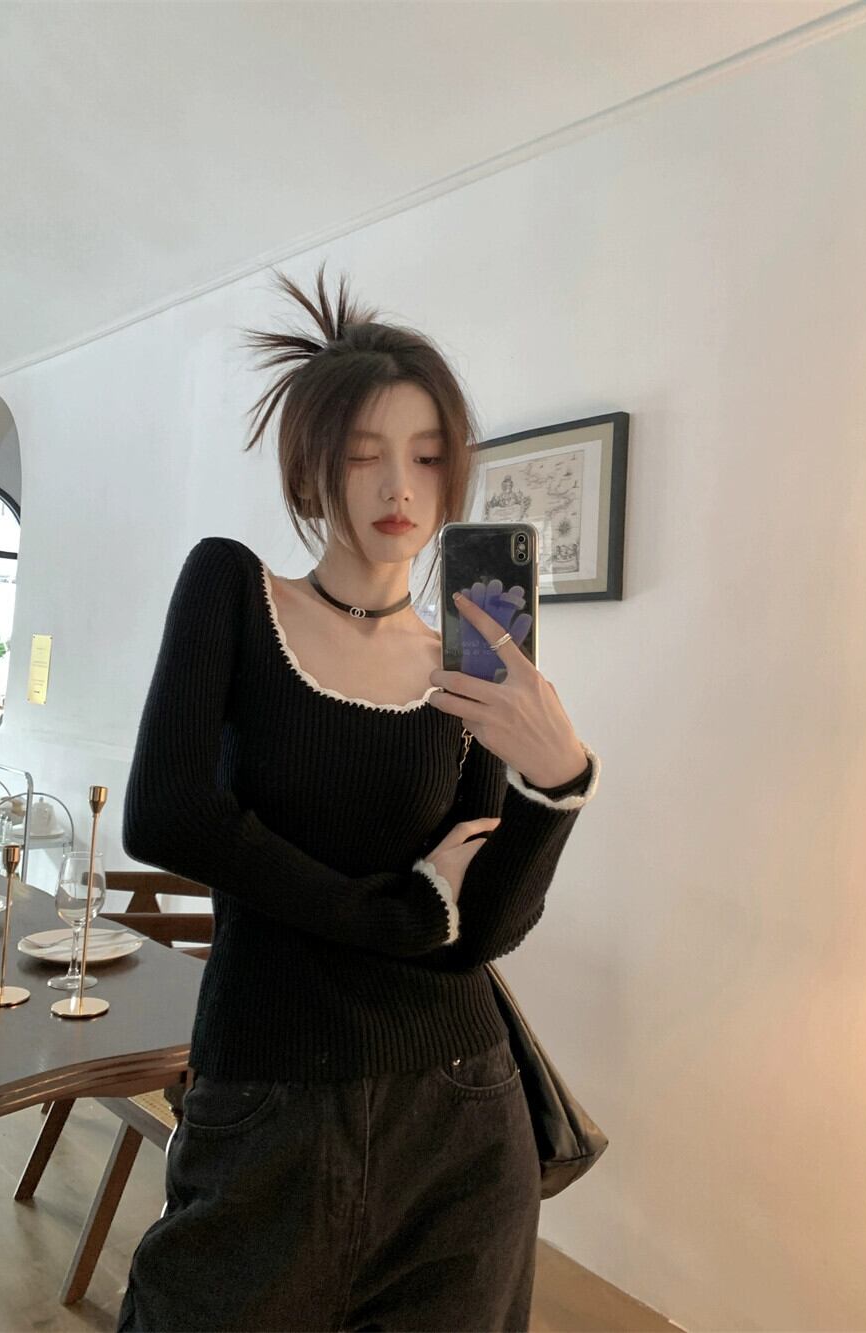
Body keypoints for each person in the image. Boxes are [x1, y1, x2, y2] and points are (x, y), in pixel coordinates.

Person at [116, 261, 601, 1333]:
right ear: (311, 469)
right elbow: (167, 813)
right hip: (269, 1093)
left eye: (427, 457)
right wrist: (389, 913)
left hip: (459, 1108)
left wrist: (557, 786)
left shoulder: (464, 667)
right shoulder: (234, 590)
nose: (399, 488)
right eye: (363, 454)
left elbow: (474, 932)